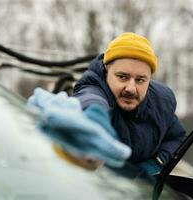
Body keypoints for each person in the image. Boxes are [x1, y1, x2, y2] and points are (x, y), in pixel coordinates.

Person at [73, 32, 186, 174]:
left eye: (140, 80)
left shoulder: (162, 102)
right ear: (106, 71)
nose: (131, 89)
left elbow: (176, 137)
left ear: (149, 80)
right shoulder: (94, 89)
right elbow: (89, 98)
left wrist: (155, 164)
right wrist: (93, 115)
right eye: (122, 77)